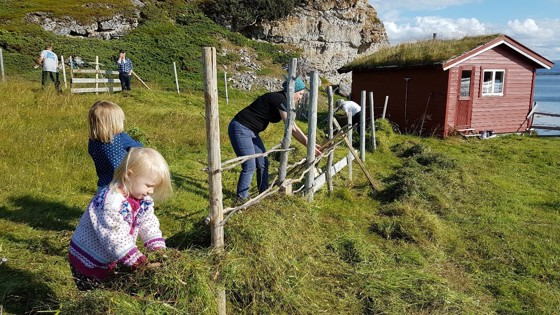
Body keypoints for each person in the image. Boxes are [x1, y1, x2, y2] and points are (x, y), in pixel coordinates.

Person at [68, 147, 173, 291]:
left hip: (111, 256)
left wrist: (157, 248)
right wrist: (138, 261)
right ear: (129, 175)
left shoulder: (143, 200)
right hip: (88, 260)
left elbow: (149, 223)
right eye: (148, 185)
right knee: (95, 295)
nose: (151, 191)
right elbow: (114, 237)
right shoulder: (111, 203)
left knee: (111, 288)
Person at [228, 77, 321, 201]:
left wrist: (310, 143)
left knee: (263, 163)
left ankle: (263, 193)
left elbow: (293, 125)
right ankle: (241, 198)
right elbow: (291, 127)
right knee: (249, 164)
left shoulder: (284, 101)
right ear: (293, 90)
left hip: (252, 132)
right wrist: (309, 145)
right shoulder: (279, 99)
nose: (300, 98)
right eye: (300, 94)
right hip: (240, 128)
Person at [88, 100, 143, 192]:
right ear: (115, 122)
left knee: (102, 206)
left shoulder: (92, 141)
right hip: (121, 185)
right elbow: (141, 148)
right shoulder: (121, 138)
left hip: (103, 186)